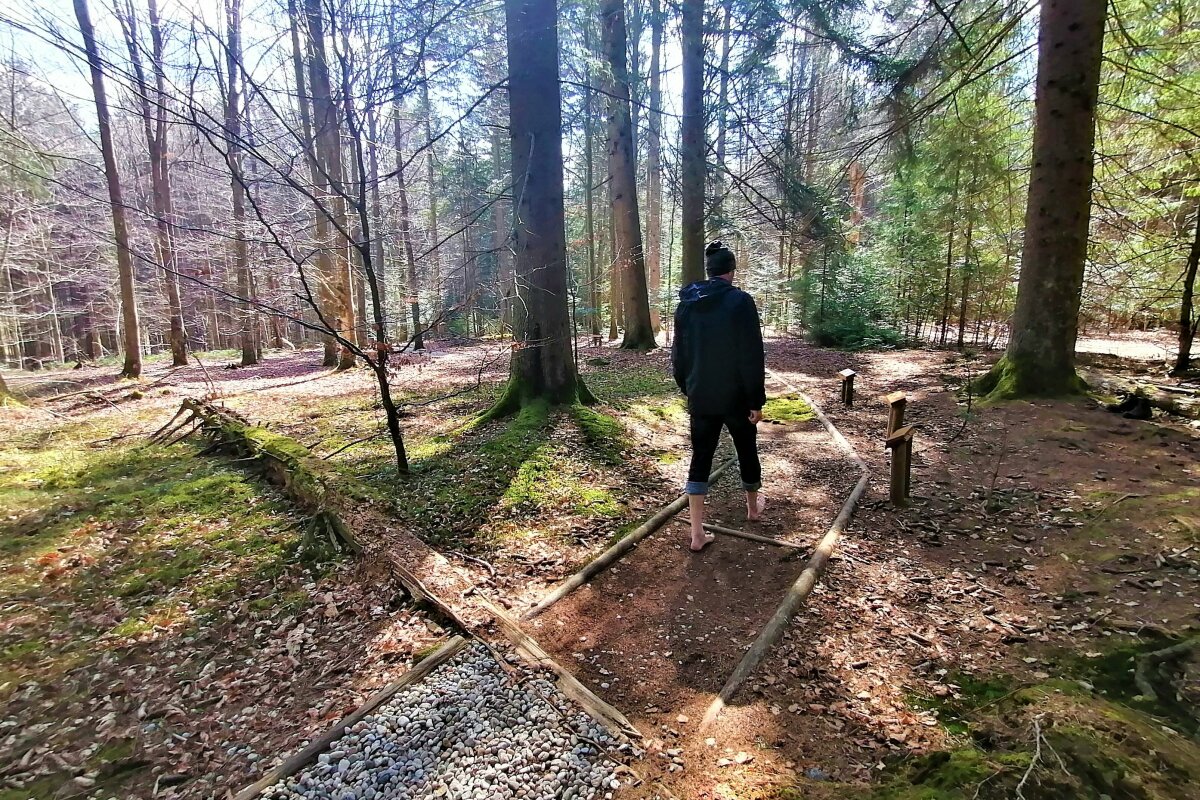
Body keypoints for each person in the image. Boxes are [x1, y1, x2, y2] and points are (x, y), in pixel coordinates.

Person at [671, 241, 766, 552]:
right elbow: (751, 354)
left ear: (710, 271)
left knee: (700, 458)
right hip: (736, 397)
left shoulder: (687, 303)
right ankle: (752, 508)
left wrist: (688, 386)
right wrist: (756, 400)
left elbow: (679, 352)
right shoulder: (741, 302)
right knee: (746, 448)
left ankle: (697, 533)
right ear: (732, 272)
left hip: (701, 394)